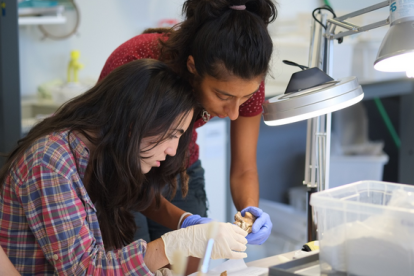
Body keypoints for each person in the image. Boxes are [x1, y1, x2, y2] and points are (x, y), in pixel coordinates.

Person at [0, 59, 248, 275]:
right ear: (134, 123)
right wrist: (177, 243)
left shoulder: (102, 155)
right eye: (172, 134)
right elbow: (85, 270)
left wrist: (188, 227)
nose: (173, 150)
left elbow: (139, 205)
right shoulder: (51, 162)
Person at [99, 0, 276, 247]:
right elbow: (117, 171)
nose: (234, 112)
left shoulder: (244, 79)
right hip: (121, 171)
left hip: (179, 167)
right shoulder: (138, 64)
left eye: (245, 98)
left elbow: (244, 168)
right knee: (132, 261)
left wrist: (250, 212)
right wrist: (184, 222)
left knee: (188, 264)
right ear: (192, 67)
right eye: (223, 96)